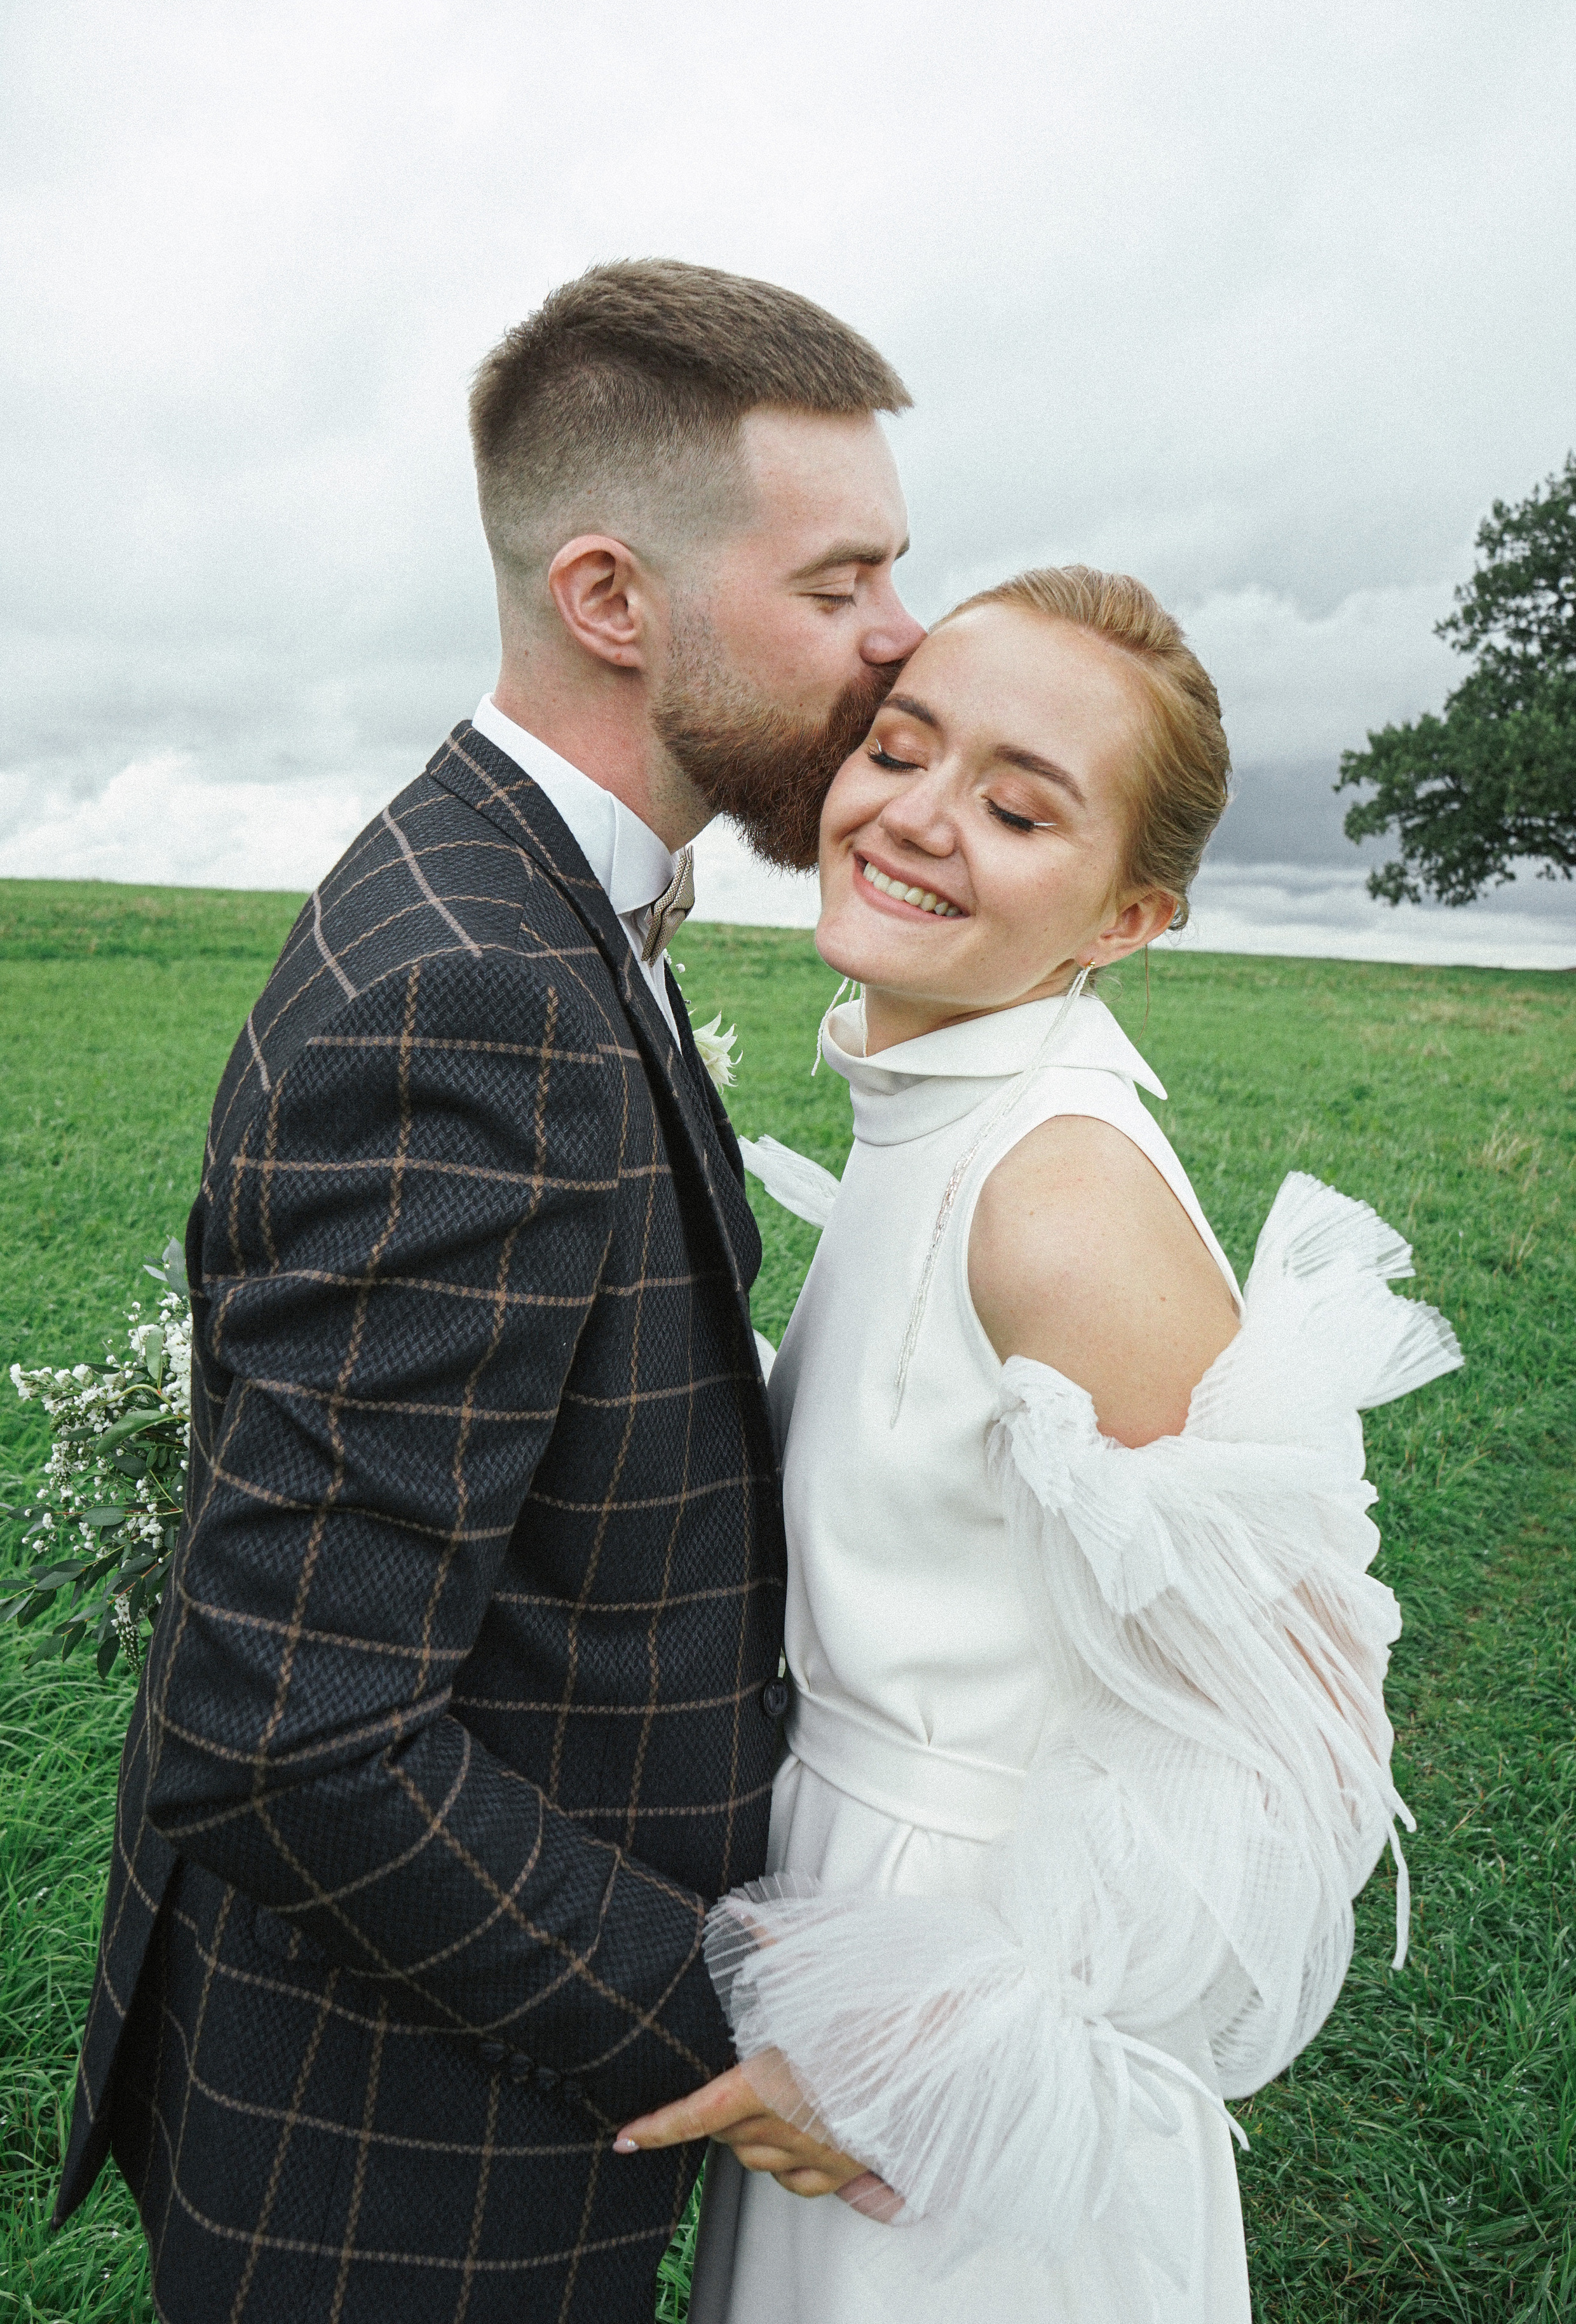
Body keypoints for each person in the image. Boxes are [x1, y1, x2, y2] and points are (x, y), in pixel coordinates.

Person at [51, 259, 923, 2324]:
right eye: (841, 584)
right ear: (612, 598)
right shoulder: (479, 987)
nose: (904, 642)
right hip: (409, 2164)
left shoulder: (534, 901)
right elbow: (291, 1732)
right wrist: (718, 2038)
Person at [618, 565, 1462, 2321]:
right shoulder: (939, 1117)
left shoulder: (1055, 1198)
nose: (919, 818)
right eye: (901, 749)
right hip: (842, 1919)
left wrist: (931, 2038)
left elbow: (1308, 1744)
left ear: (1128, 917)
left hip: (969, 2012)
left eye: (1016, 806)